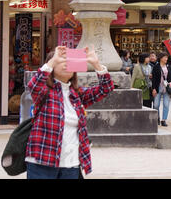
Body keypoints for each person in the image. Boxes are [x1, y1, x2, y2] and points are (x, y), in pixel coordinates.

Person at [25, 46, 114, 179]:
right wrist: (53, 60)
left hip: (71, 164)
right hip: (42, 161)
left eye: (69, 61)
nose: (66, 63)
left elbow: (106, 88)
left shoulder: (77, 94)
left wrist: (96, 64)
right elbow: (33, 85)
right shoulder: (44, 91)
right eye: (61, 61)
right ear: (52, 67)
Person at [152, 52, 171, 127]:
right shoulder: (156, 67)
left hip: (166, 88)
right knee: (156, 105)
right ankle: (157, 118)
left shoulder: (168, 66)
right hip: (158, 87)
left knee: (166, 104)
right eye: (165, 57)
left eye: (167, 57)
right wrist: (154, 88)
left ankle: (164, 120)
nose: (166, 59)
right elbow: (154, 79)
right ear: (161, 58)